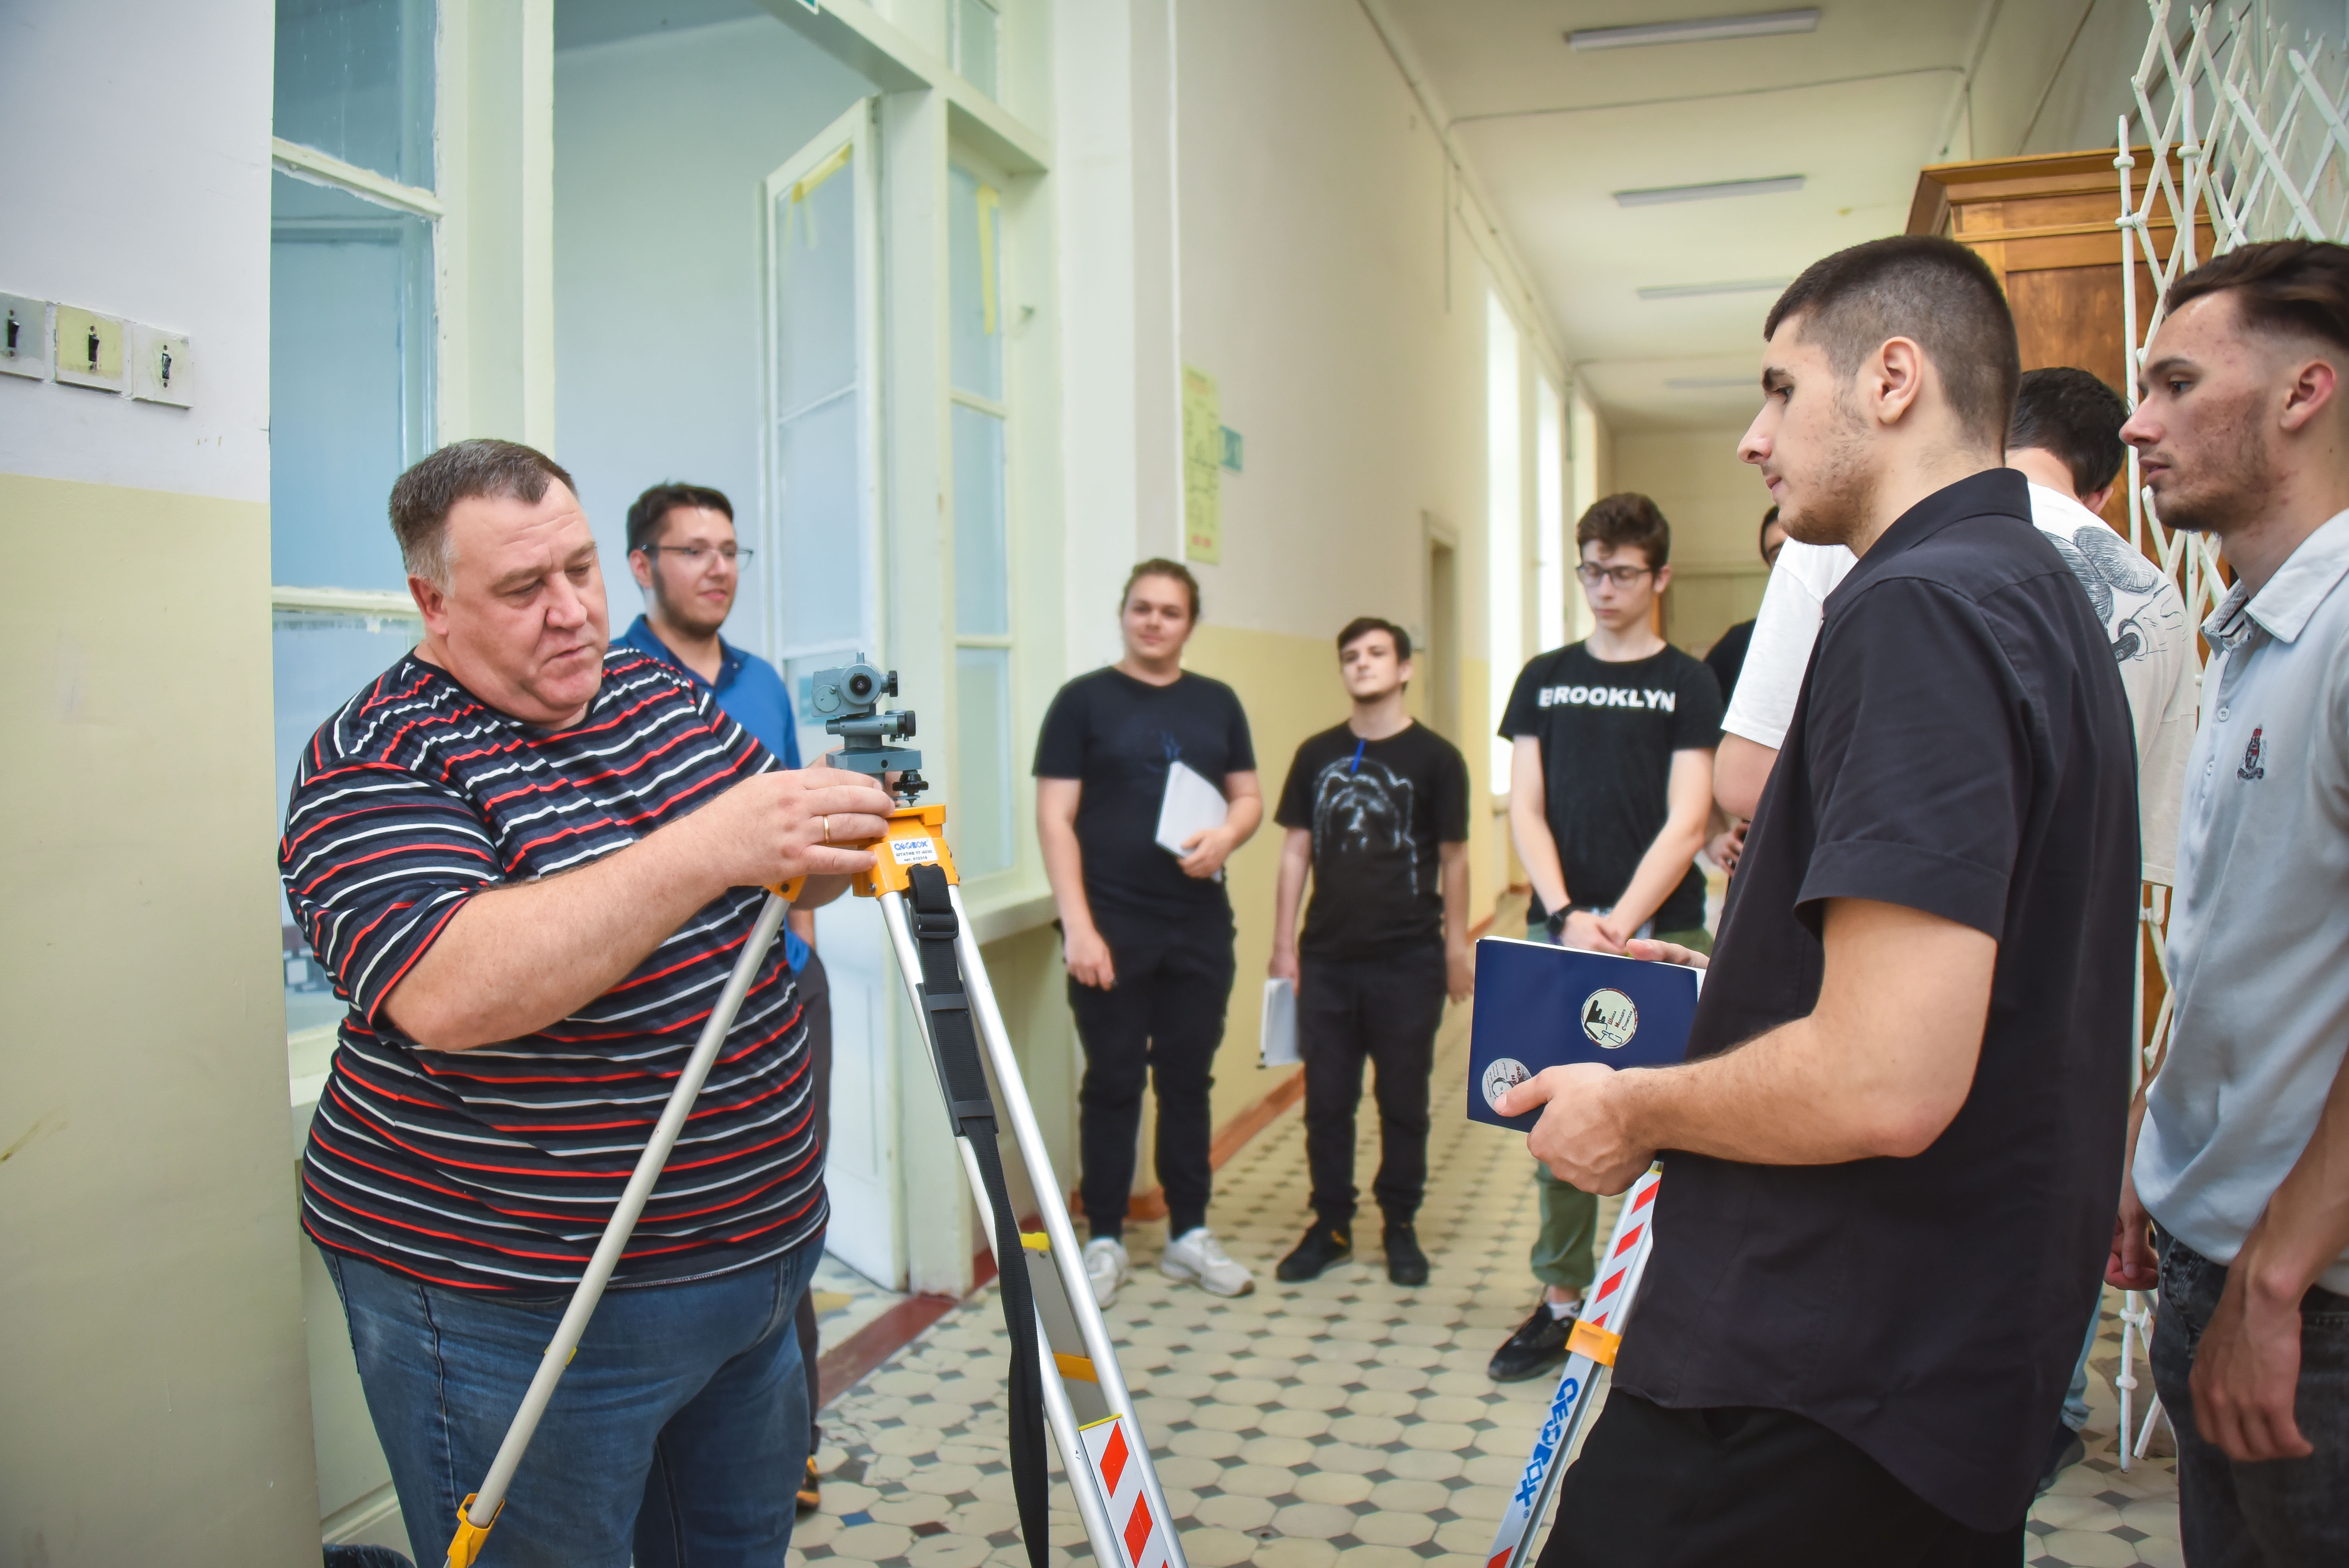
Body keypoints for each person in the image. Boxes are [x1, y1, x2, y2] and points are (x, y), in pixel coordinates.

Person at [1501, 236, 2139, 1564]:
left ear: (1891, 378)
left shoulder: (1917, 607)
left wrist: (1636, 1105)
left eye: (1780, 388)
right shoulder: (2041, 597)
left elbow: (1883, 1077)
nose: (1751, 437)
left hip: (1812, 1371)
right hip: (1944, 1355)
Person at [283, 440, 895, 1566]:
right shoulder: (373, 761)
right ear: (433, 600)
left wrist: (834, 837)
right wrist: (711, 842)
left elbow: (776, 871)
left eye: (580, 570)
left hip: (752, 1272)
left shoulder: (652, 686)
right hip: (517, 1305)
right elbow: (453, 988)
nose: (570, 613)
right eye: (524, 588)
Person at [2110, 239, 2349, 1562]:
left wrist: (2272, 1271)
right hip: (2224, 1254)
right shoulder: (2249, 629)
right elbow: (2249, 938)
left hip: (2308, 1299)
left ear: (2302, 392)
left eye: (2174, 382)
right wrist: (2161, 1134)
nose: (2135, 422)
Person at [613, 479, 835, 1513]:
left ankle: (790, 1445)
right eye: (694, 550)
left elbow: (796, 830)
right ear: (642, 567)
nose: (718, 568)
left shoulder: (766, 685)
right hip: (662, 1009)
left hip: (780, 992)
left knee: (788, 1209)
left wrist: (799, 944)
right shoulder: (607, 683)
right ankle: (670, 1469)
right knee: (675, 1232)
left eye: (732, 551)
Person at [1485, 494, 1722, 1381]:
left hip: (1661, 933)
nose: (1603, 587)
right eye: (1591, 569)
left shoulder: (1687, 682)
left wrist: (1620, 921)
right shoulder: (1542, 676)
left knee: (1680, 1123)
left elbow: (1688, 815)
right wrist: (1564, 913)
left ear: (1658, 576)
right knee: (1559, 1116)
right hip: (1562, 930)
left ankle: (1668, 1306)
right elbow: (1529, 807)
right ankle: (1560, 1299)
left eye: (1622, 571)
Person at [1034, 559, 1264, 1305]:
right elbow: (1054, 817)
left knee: (1188, 1081)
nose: (1154, 621)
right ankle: (1103, 1238)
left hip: (1198, 927)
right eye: (1142, 608)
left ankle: (1188, 1233)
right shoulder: (1082, 703)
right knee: (1112, 1082)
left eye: (1170, 611)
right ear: (1123, 614)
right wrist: (1079, 926)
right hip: (1110, 928)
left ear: (1189, 623)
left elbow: (1250, 797)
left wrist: (1229, 835)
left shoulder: (1217, 702)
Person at [1267, 618, 1474, 1287]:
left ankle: (1400, 1222)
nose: (1362, 665)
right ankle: (1329, 1223)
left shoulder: (1438, 759)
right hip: (1326, 959)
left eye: (1377, 654)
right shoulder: (1315, 753)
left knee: (1403, 1099)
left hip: (1409, 960)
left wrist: (1455, 947)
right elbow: (1295, 849)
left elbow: (1455, 858)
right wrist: (1283, 947)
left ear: (1405, 667)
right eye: (1351, 656)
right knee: (1327, 1101)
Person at [1699, 505, 1787, 876]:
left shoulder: (1875, 626)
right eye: (1779, 555)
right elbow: (1692, 751)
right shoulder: (1742, 646)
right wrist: (1714, 836)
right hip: (1763, 868)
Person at [1700, 504, 1788, 706]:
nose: (1793, 561)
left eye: (1802, 547)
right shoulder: (1740, 645)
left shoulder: (1859, 631)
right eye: (1779, 554)